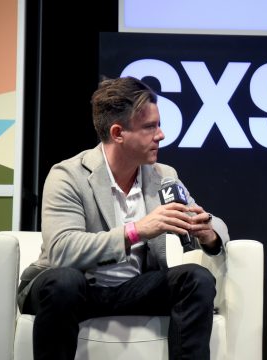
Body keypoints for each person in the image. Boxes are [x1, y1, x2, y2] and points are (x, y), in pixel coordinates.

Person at [17, 76, 229, 360]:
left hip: (133, 288)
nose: (161, 135)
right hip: (77, 289)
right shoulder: (68, 175)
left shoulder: (163, 176)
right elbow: (62, 250)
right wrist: (136, 231)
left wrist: (208, 233)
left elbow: (214, 225)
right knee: (63, 281)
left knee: (195, 278)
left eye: (159, 124)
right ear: (118, 133)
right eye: (150, 127)